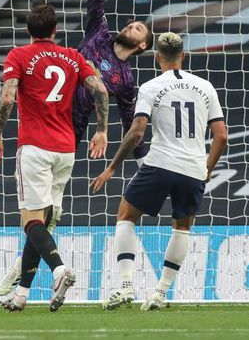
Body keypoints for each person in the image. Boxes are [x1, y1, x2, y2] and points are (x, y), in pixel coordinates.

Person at [0, 0, 153, 298]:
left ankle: (25, 274)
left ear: (143, 46)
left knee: (45, 216)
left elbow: (130, 123)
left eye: (139, 29)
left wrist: (143, 159)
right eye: (132, 22)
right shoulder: (97, 34)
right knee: (44, 216)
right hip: (53, 128)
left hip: (67, 136)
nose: (132, 25)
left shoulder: (126, 81)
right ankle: (22, 284)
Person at [91, 32, 228, 310]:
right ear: (183, 56)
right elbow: (222, 136)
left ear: (157, 58)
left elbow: (137, 131)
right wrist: (207, 168)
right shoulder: (206, 87)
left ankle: (126, 286)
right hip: (192, 168)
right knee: (182, 227)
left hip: (161, 163)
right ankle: (160, 293)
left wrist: (112, 167)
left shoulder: (151, 87)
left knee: (126, 216)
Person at [0, 2, 109, 312]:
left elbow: (7, 96)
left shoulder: (19, 55)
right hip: (66, 149)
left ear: (29, 31)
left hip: (35, 147)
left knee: (30, 221)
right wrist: (102, 130)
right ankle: (22, 294)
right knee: (42, 222)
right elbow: (102, 91)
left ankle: (59, 270)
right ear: (55, 31)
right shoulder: (72, 56)